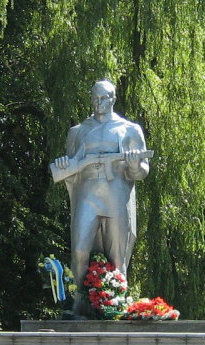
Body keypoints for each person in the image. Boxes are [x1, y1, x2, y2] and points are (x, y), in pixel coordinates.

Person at [54, 80, 149, 317]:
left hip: (116, 193)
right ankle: (77, 303)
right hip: (87, 193)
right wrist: (65, 164)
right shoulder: (77, 131)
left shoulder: (130, 129)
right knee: (79, 249)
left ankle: (118, 304)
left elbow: (142, 171)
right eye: (95, 98)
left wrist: (134, 164)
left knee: (118, 253)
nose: (99, 103)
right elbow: (69, 168)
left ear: (113, 99)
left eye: (104, 98)